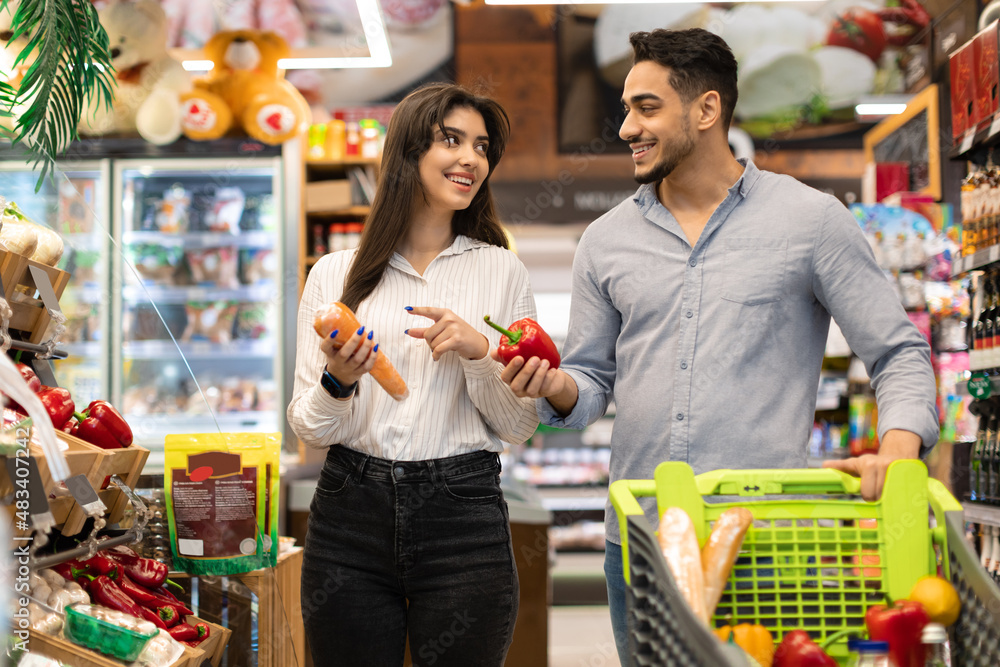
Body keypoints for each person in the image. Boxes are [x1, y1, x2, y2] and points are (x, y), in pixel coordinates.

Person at [495, 28, 939, 662]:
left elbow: (898, 353)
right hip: (641, 537)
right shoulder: (604, 241)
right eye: (626, 109)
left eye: (646, 107)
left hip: (765, 538)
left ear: (707, 110)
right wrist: (558, 387)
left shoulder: (810, 221)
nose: (625, 128)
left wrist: (897, 453)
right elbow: (591, 381)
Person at [287, 83, 539, 667]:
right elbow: (309, 423)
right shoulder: (335, 274)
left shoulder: (502, 272)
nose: (471, 158)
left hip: (464, 515)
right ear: (406, 152)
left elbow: (520, 426)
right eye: (451, 140)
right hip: (350, 511)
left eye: (481, 146)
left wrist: (481, 354)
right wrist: (339, 382)